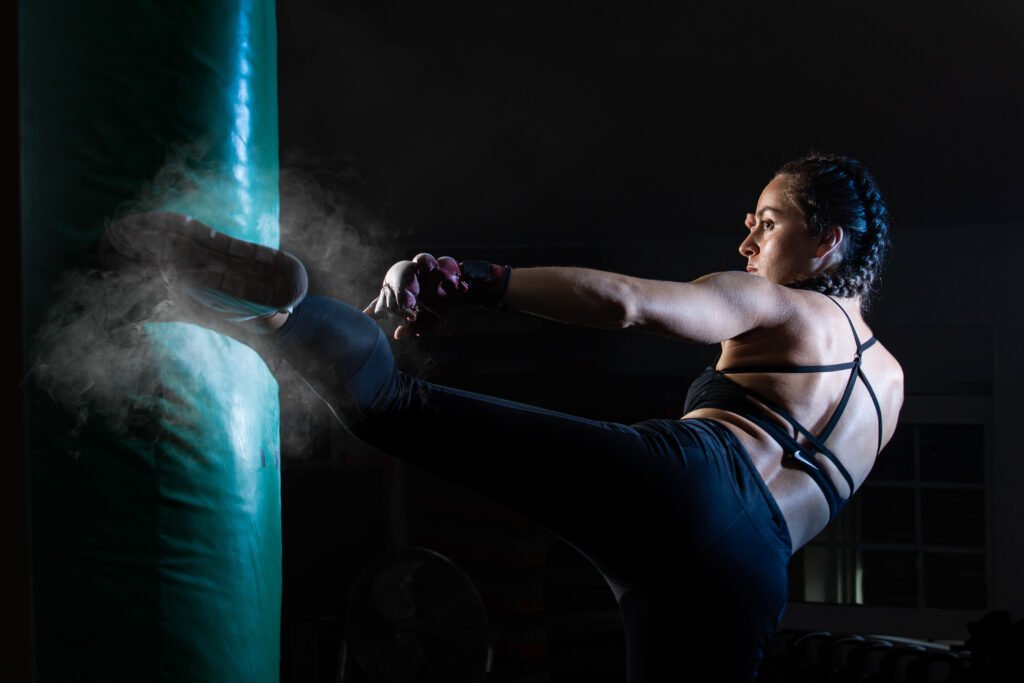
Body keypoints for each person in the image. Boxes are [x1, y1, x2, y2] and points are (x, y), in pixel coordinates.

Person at [98, 152, 903, 682]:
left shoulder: (780, 305)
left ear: (826, 240)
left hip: (692, 483)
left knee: (392, 404)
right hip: (750, 577)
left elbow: (625, 305)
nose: (747, 238)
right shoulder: (891, 390)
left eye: (767, 220)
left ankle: (257, 311)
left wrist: (471, 278)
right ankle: (230, 309)